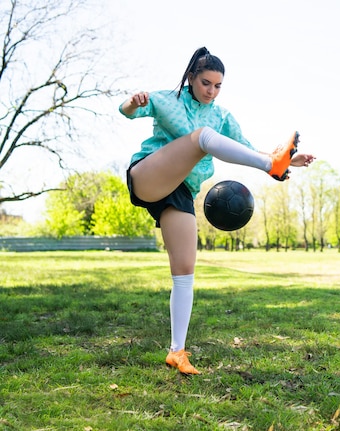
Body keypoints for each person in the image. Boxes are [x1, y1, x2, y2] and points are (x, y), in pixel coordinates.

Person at [119, 47, 315, 375]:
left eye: (218, 86)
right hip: (149, 175)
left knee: (184, 272)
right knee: (201, 138)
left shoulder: (222, 116)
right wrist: (133, 101)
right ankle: (272, 166)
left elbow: (245, 149)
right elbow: (126, 112)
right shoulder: (167, 99)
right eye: (206, 83)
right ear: (191, 78)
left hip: (180, 193)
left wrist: (285, 160)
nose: (211, 91)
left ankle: (177, 352)